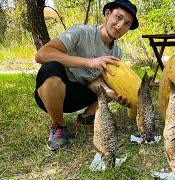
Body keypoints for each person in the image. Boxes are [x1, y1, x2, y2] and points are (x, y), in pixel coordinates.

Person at [34, 0, 139, 151]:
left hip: (81, 94)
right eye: (118, 17)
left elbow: (93, 80)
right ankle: (58, 125)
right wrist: (90, 62)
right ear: (107, 14)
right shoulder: (81, 32)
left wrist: (110, 93)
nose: (120, 25)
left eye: (127, 24)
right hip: (53, 93)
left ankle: (87, 117)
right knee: (51, 67)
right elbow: (42, 54)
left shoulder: (116, 53)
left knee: (113, 82)